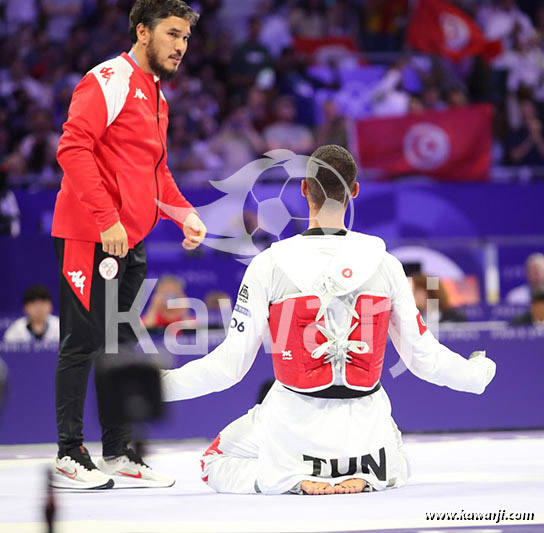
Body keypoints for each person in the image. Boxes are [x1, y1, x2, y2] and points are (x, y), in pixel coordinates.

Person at [161, 144, 496, 496]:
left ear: (304, 189)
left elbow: (228, 368)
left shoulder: (269, 265)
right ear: (354, 191)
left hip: (292, 427)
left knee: (213, 462)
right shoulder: (385, 265)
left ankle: (288, 476)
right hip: (368, 434)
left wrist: (160, 385)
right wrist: (476, 376)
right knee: (398, 449)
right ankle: (375, 471)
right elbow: (425, 360)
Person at [49, 0, 207, 490]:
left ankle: (117, 452)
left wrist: (183, 212)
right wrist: (106, 218)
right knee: (81, 342)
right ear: (143, 32)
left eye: (185, 38)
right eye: (173, 35)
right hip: (89, 235)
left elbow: (155, 173)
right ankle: (69, 454)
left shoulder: (157, 95)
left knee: (117, 343)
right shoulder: (107, 79)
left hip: (128, 242)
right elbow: (71, 147)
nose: (181, 46)